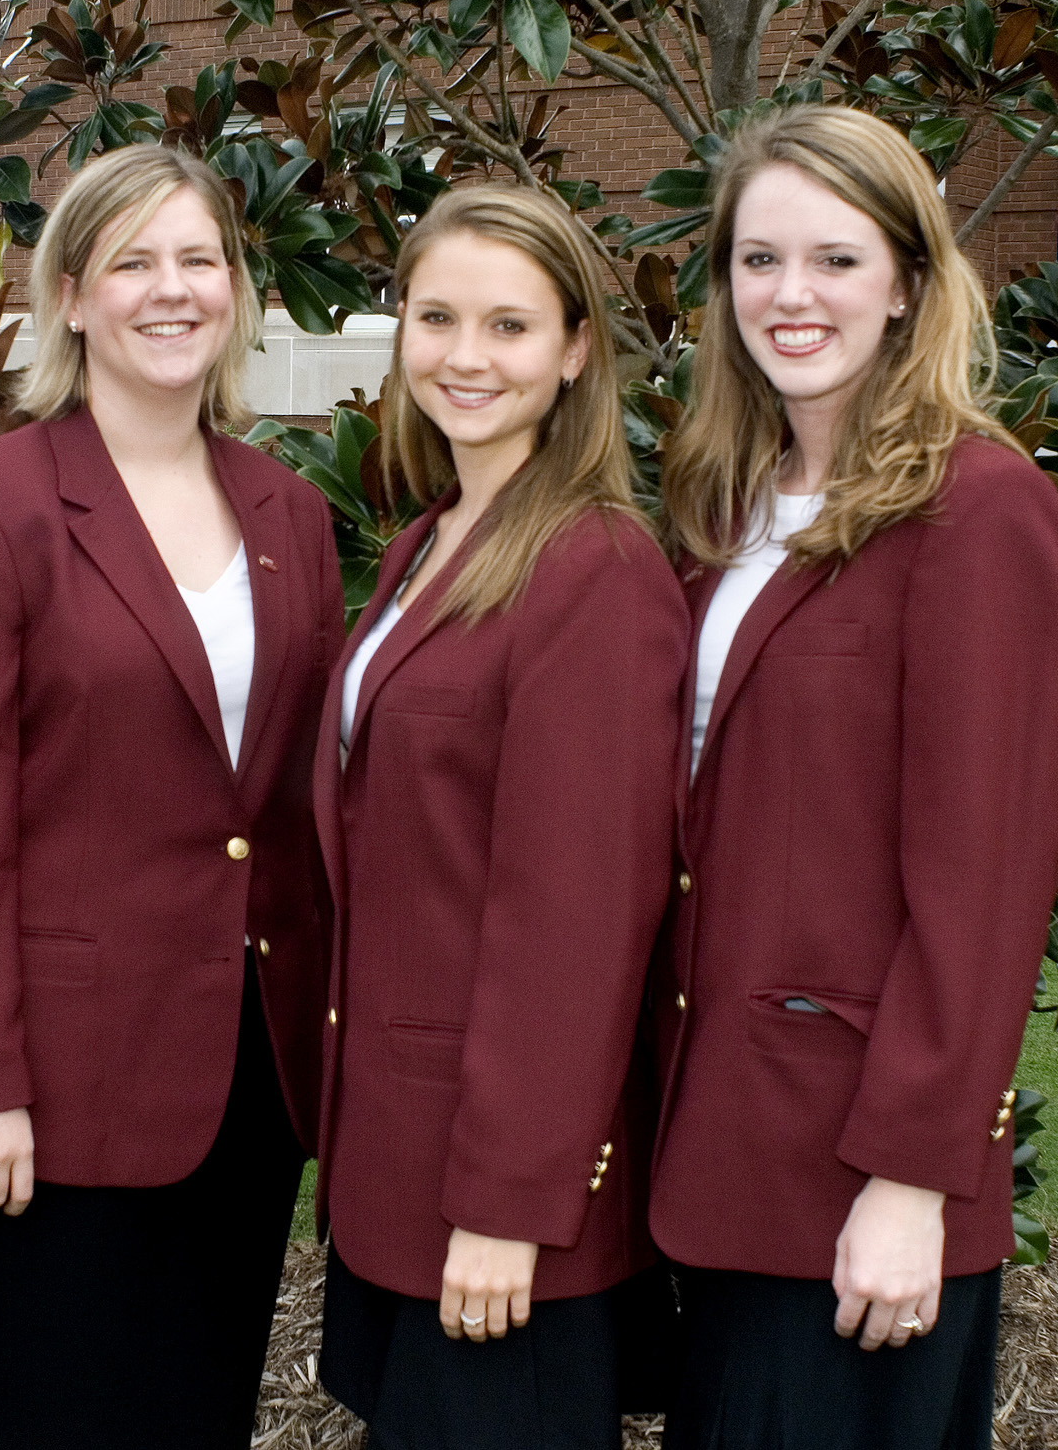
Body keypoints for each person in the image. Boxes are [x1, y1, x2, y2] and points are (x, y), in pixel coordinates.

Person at [0, 142, 342, 1449]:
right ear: (72, 295)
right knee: (33, 1412)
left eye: (199, 259)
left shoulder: (288, 515)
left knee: (192, 1410)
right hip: (48, 1090)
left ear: (236, 291)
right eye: (133, 261)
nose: (171, 289)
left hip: (247, 1080)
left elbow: (289, 804)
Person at [649, 104, 1058, 1449]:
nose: (792, 294)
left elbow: (986, 884)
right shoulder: (725, 504)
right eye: (759, 258)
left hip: (855, 1175)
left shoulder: (980, 508)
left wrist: (914, 1176)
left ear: (907, 282)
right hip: (715, 1134)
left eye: (837, 259)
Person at [311, 183, 688, 1449]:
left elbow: (574, 924)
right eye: (436, 318)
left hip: (492, 1189)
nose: (464, 358)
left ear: (576, 347)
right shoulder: (431, 537)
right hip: (400, 1149)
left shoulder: (593, 567)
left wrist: (511, 1202)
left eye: (509, 327)